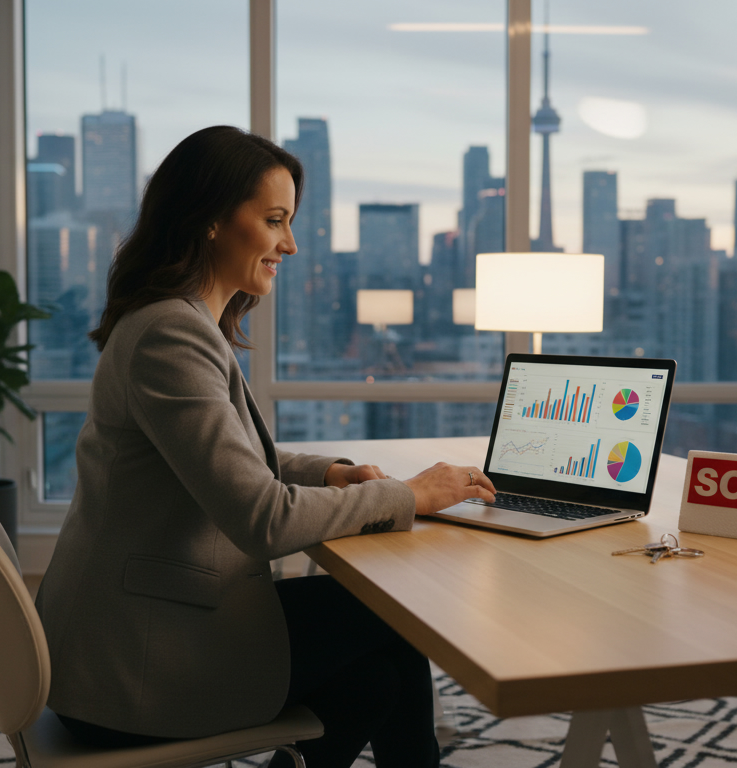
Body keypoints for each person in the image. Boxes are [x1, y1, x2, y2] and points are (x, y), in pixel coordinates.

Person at [34, 125, 497, 768]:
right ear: (212, 221)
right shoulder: (172, 334)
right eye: (275, 220)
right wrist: (410, 495)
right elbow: (262, 517)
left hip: (134, 634)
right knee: (391, 622)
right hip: (135, 670)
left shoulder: (184, 322)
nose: (290, 242)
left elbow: (235, 458)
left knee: (376, 682)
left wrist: (333, 474)